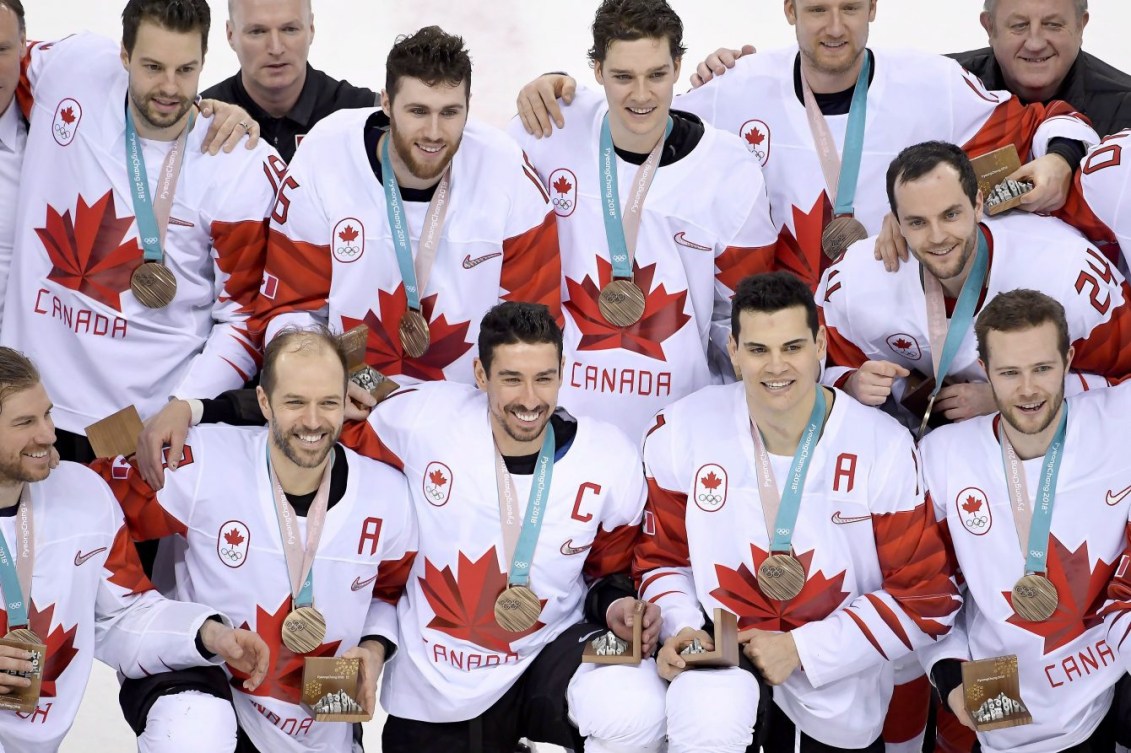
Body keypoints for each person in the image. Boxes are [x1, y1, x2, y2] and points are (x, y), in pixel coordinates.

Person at [132, 24, 563, 485]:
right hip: (352, 424)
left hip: (466, 431)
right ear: (385, 102)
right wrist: (335, 385)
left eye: (450, 113)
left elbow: (532, 332)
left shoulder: (505, 172)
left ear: (469, 110)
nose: (434, 132)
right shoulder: (326, 155)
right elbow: (290, 311)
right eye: (417, 111)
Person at [515, 0, 1098, 292]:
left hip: (892, 334)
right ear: (790, 9)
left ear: (874, 7)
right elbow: (639, 107)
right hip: (778, 346)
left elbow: (1044, 124)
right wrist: (557, 91)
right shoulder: (736, 87)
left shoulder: (933, 84)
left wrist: (1058, 159)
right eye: (818, 7)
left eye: (850, 6)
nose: (835, 26)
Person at [634, 271, 961, 752]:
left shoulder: (882, 446)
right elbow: (663, 560)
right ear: (734, 350)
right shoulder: (680, 430)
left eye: (791, 347)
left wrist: (802, 649)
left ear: (821, 344)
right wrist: (682, 625)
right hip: (720, 667)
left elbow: (927, 601)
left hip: (838, 701)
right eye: (759, 350)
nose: (776, 366)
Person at [340, 301, 667, 753]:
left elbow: (607, 576)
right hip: (433, 679)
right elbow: (327, 424)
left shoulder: (611, 459)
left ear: (562, 370)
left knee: (635, 703)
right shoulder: (422, 420)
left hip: (544, 656)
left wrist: (617, 609)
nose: (530, 400)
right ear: (480, 374)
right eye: (512, 378)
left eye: (544, 378)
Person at [95, 327, 417, 752]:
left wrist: (374, 649)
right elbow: (93, 505)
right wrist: (146, 616)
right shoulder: (203, 463)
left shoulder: (388, 495)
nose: (313, 421)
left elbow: (392, 592)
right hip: (207, 681)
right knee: (195, 729)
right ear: (264, 402)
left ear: (348, 404)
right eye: (295, 402)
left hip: (319, 710)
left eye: (328, 403)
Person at [0, 0, 281, 463]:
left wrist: (186, 406)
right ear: (125, 56)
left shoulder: (240, 166)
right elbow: (9, 53)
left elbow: (246, 320)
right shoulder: (72, 70)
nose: (170, 88)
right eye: (152, 67)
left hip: (142, 431)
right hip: (28, 408)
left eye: (186, 69)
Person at [507, 0, 778, 438]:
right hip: (560, 425)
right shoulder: (547, 132)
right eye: (622, 77)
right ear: (596, 71)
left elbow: (746, 317)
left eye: (656, 74)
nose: (640, 95)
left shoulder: (728, 170)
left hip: (678, 428)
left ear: (677, 66)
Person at [0, 346, 269, 753]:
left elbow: (121, 614)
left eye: (48, 414)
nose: (49, 435)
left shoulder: (84, 493)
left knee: (198, 721)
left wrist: (208, 634)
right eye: (25, 422)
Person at [920, 289, 1129, 753]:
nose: (1028, 390)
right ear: (984, 368)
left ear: (1070, 358)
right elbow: (925, 586)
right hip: (1006, 687)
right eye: (1009, 373)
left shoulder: (1120, 420)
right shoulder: (943, 456)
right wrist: (951, 676)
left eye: (1042, 369)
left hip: (1111, 671)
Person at [817, 141, 1131, 429]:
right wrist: (850, 383)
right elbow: (812, 368)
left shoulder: (1065, 271)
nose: (937, 236)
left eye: (951, 215)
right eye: (917, 222)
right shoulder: (855, 280)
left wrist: (1010, 398)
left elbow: (1124, 379)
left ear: (978, 204)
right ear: (895, 222)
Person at [202, 0, 378, 162]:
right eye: (257, 31)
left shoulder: (365, 113)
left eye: (290, 29)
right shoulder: (201, 121)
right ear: (230, 34)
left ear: (311, 28)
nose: (276, 49)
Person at [951, 0, 1131, 138]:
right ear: (990, 27)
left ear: (1080, 26)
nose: (1035, 44)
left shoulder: (1125, 108)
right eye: (1019, 26)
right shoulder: (942, 88)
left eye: (1052, 25)